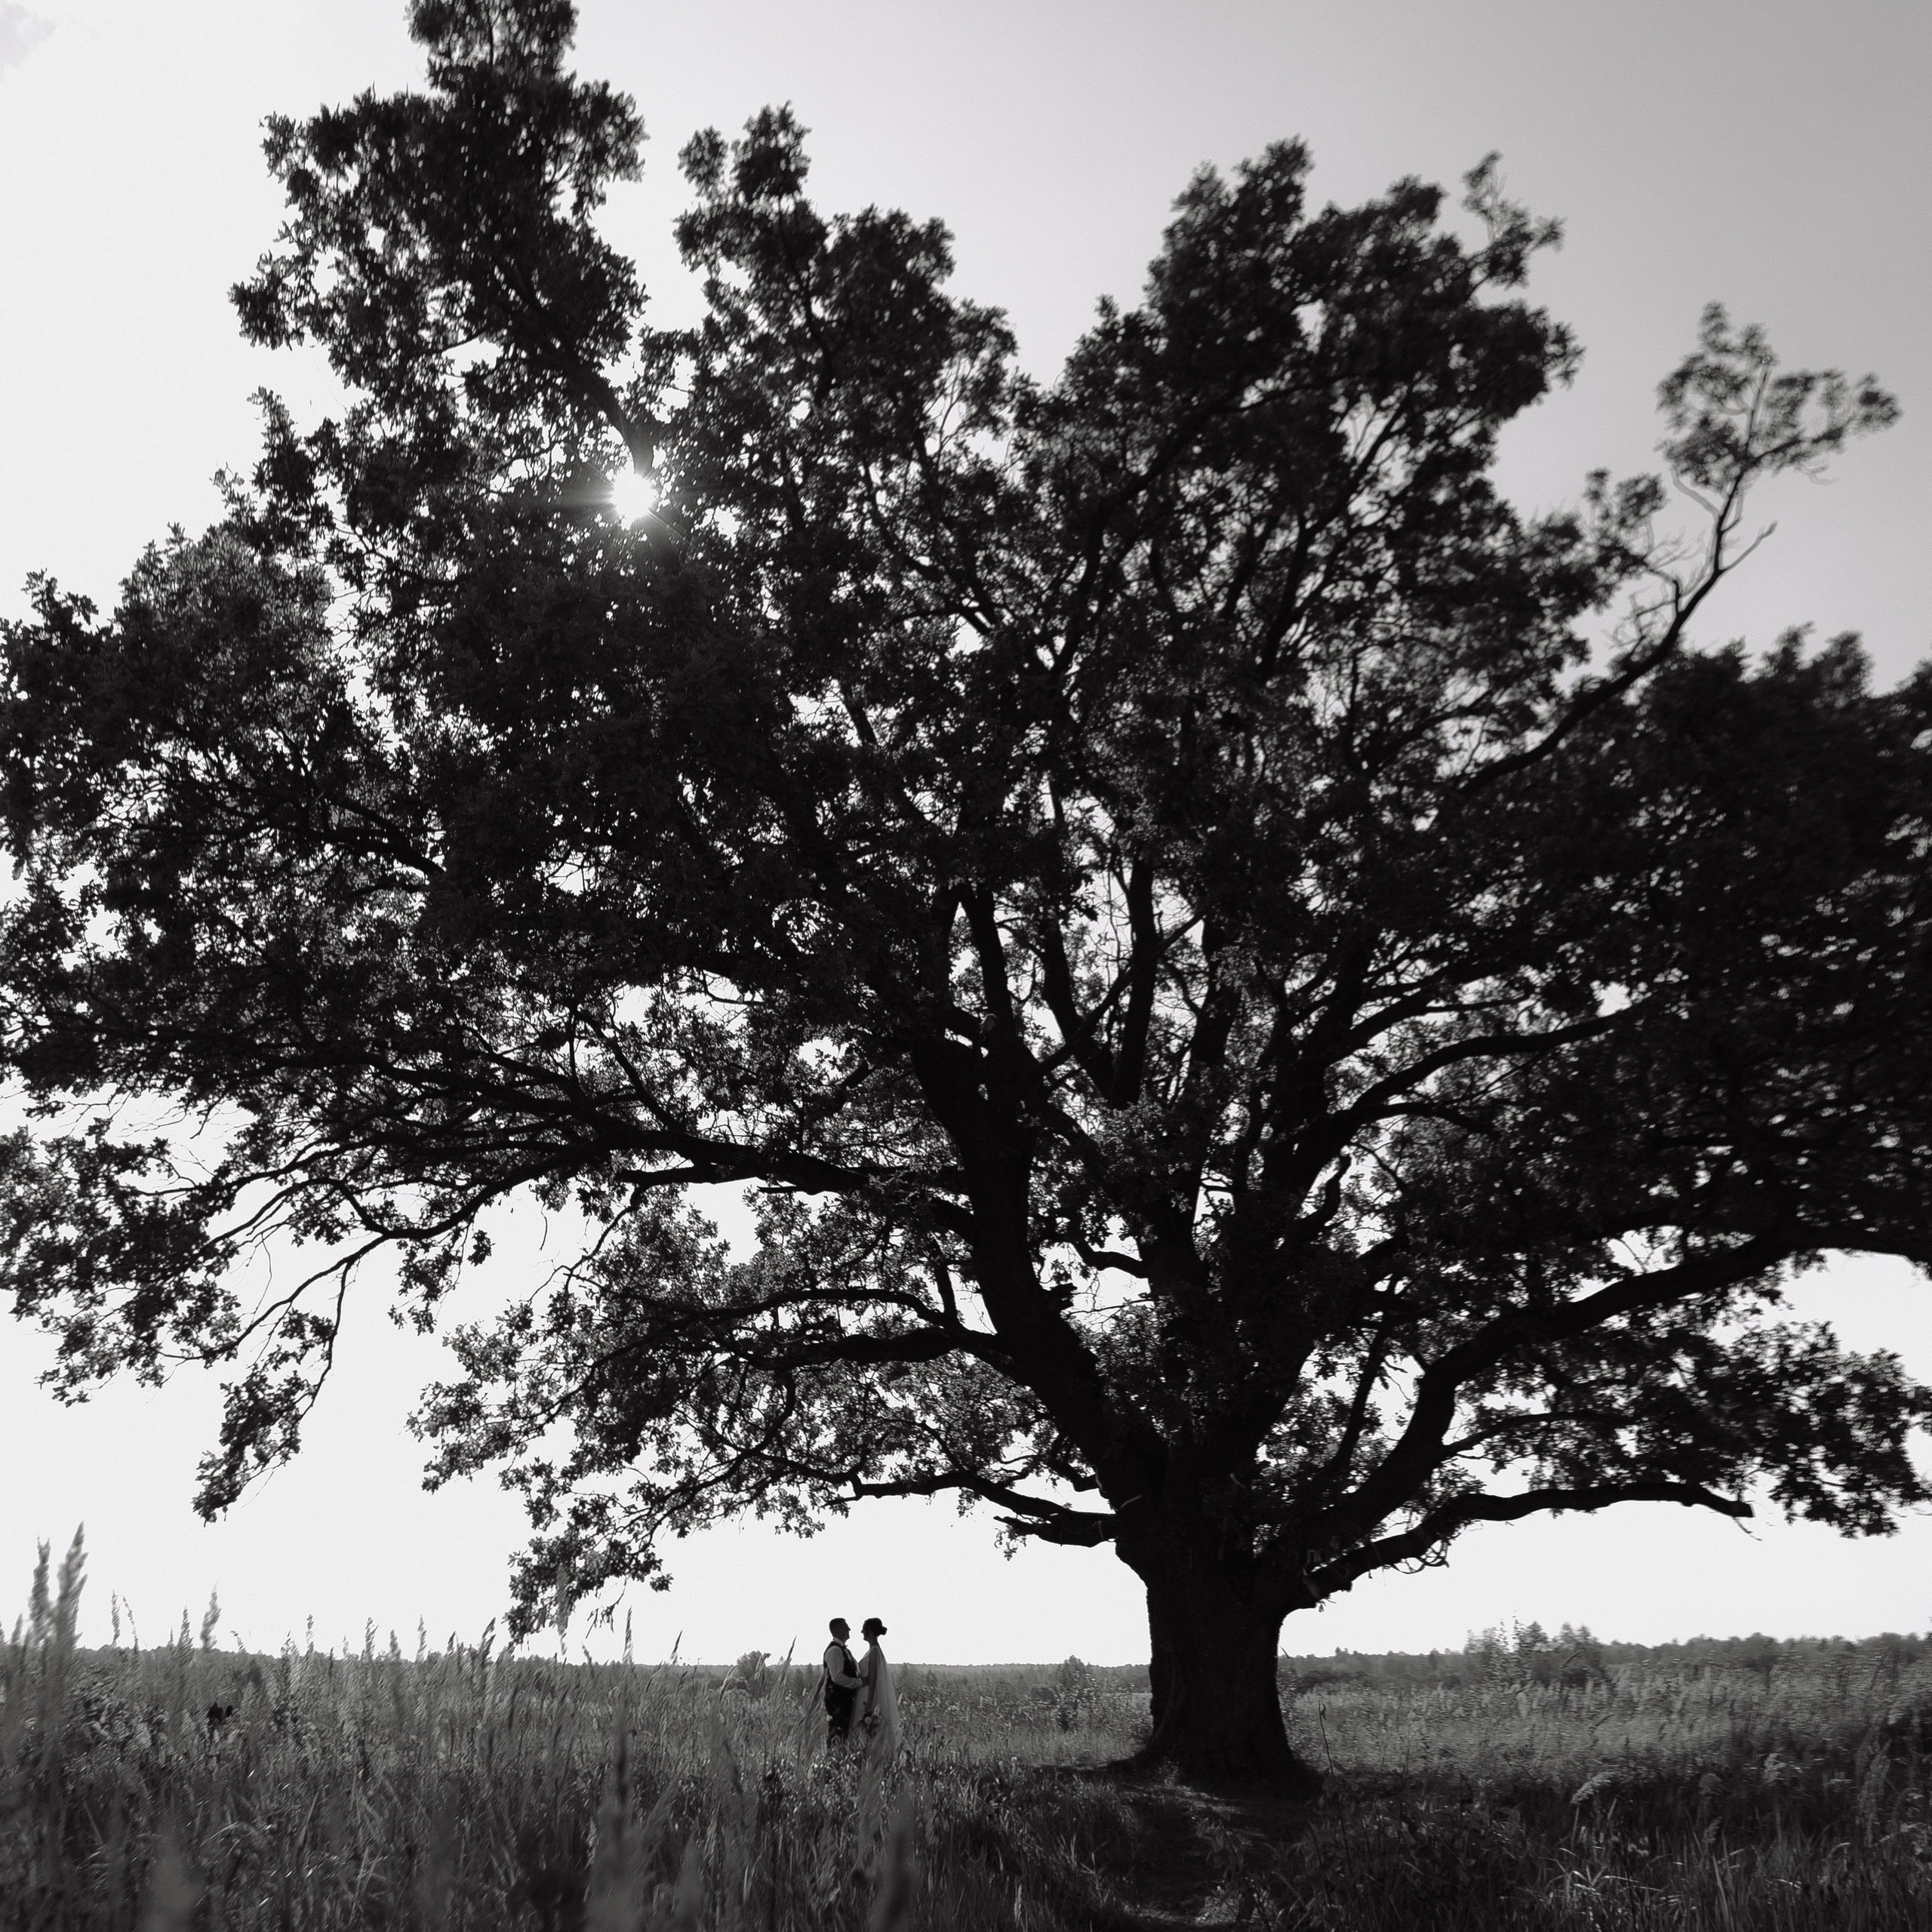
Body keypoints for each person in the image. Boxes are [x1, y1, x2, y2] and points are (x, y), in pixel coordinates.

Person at [854, 1616, 899, 1761]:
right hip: (864, 1692)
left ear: (871, 1632)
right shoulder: (874, 1650)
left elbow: (873, 1678)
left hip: (867, 1694)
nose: (862, 1631)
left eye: (864, 1629)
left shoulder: (874, 1651)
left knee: (868, 1730)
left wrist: (869, 1702)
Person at [822, 1617, 862, 1750]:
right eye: (846, 1627)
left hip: (844, 1700)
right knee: (837, 1733)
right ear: (838, 1630)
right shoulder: (835, 1651)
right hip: (837, 1701)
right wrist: (859, 1683)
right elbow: (837, 1677)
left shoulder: (843, 1650)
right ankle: (832, 1760)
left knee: (844, 1733)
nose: (849, 1629)